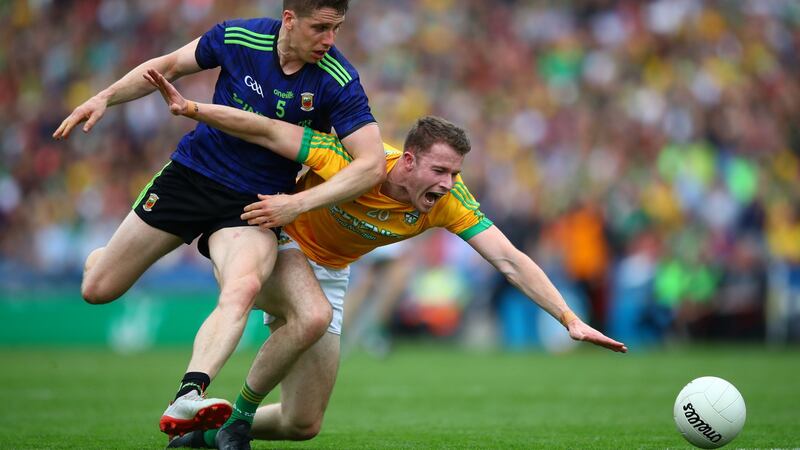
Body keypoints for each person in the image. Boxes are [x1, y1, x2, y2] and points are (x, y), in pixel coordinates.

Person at [144, 70, 627, 450]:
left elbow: (509, 259)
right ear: (408, 161)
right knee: (312, 316)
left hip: (332, 271)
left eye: (455, 173)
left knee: (302, 423)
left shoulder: (447, 201)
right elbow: (269, 130)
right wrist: (193, 109)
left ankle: (206, 434)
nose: (448, 183)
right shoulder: (352, 160)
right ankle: (238, 419)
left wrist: (569, 318)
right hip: (280, 243)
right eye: (440, 170)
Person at [51, 0, 386, 440]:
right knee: (98, 289)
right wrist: (104, 97)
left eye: (336, 28)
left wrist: (298, 205)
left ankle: (189, 393)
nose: (330, 39)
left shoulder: (337, 79)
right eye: (320, 28)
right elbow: (167, 66)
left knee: (242, 287)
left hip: (252, 205)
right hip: (191, 177)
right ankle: (104, 259)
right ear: (289, 19)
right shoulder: (239, 37)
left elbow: (372, 163)